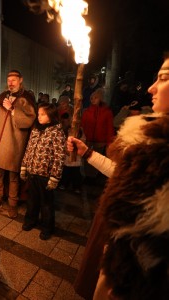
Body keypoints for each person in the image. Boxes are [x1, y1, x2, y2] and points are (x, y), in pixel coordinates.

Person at [68, 52, 169, 300]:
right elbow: (122, 175)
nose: (151, 88)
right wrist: (87, 152)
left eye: (164, 78)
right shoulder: (149, 141)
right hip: (117, 251)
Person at [0, 70, 36, 219]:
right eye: (9, 80)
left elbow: (29, 120)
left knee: (13, 177)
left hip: (15, 144)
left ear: (20, 80)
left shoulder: (25, 99)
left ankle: (12, 203)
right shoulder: (3, 97)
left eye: (14, 80)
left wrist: (12, 109)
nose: (10, 83)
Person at [20, 103, 65, 240]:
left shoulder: (57, 132)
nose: (39, 117)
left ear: (50, 116)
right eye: (38, 114)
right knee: (32, 200)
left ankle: (47, 227)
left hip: (46, 175)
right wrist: (24, 167)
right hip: (33, 172)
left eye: (42, 114)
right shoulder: (35, 130)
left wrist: (55, 177)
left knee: (46, 203)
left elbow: (59, 156)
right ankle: (30, 221)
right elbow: (28, 149)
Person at [80, 88, 114, 182]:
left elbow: (109, 128)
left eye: (96, 98)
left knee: (97, 159)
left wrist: (109, 142)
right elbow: (83, 125)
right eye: (92, 98)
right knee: (87, 158)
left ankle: (93, 177)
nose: (93, 99)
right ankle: (87, 176)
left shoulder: (107, 112)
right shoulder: (87, 112)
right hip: (89, 139)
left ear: (101, 99)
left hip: (100, 141)